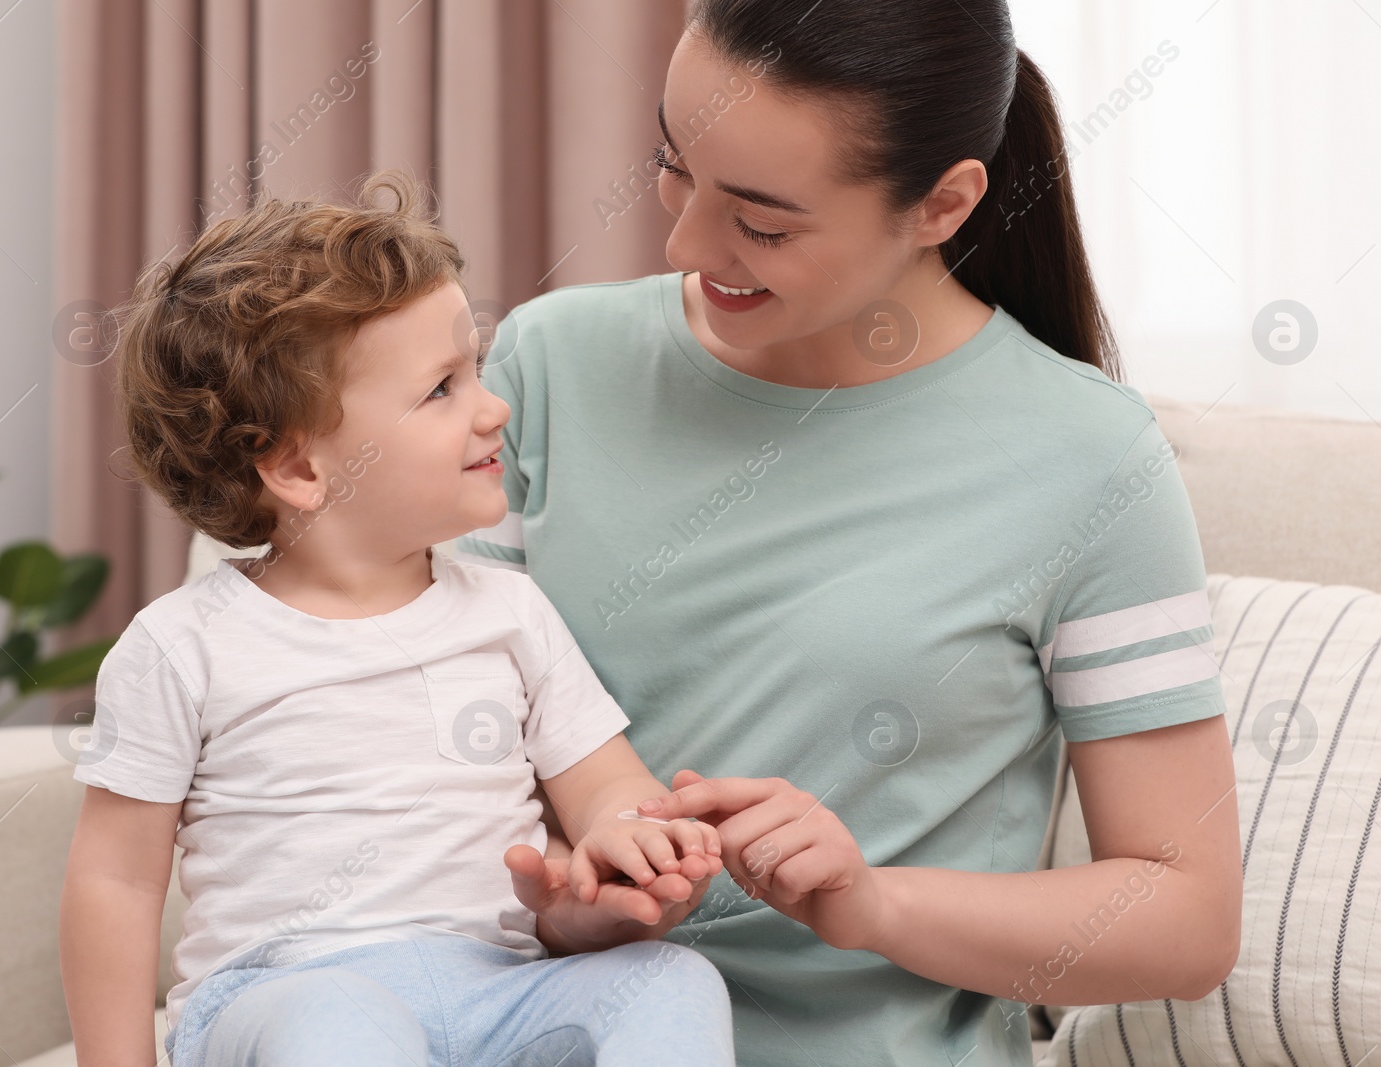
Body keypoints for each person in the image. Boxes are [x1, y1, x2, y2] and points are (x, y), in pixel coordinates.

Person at [457, 1, 1244, 1064]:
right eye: (672, 164)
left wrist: (872, 902)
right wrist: (563, 903)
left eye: (763, 222)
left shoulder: (1086, 456)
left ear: (941, 203)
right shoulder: (547, 367)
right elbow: (430, 734)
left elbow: (1184, 918)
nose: (683, 242)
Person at [58, 172, 737, 1067]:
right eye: (441, 390)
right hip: (278, 997)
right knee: (340, 1018)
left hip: (497, 986)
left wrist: (624, 832)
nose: (493, 408)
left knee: (674, 981)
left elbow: (603, 780)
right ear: (298, 469)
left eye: (478, 370)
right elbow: (114, 879)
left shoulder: (511, 613)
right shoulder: (180, 646)